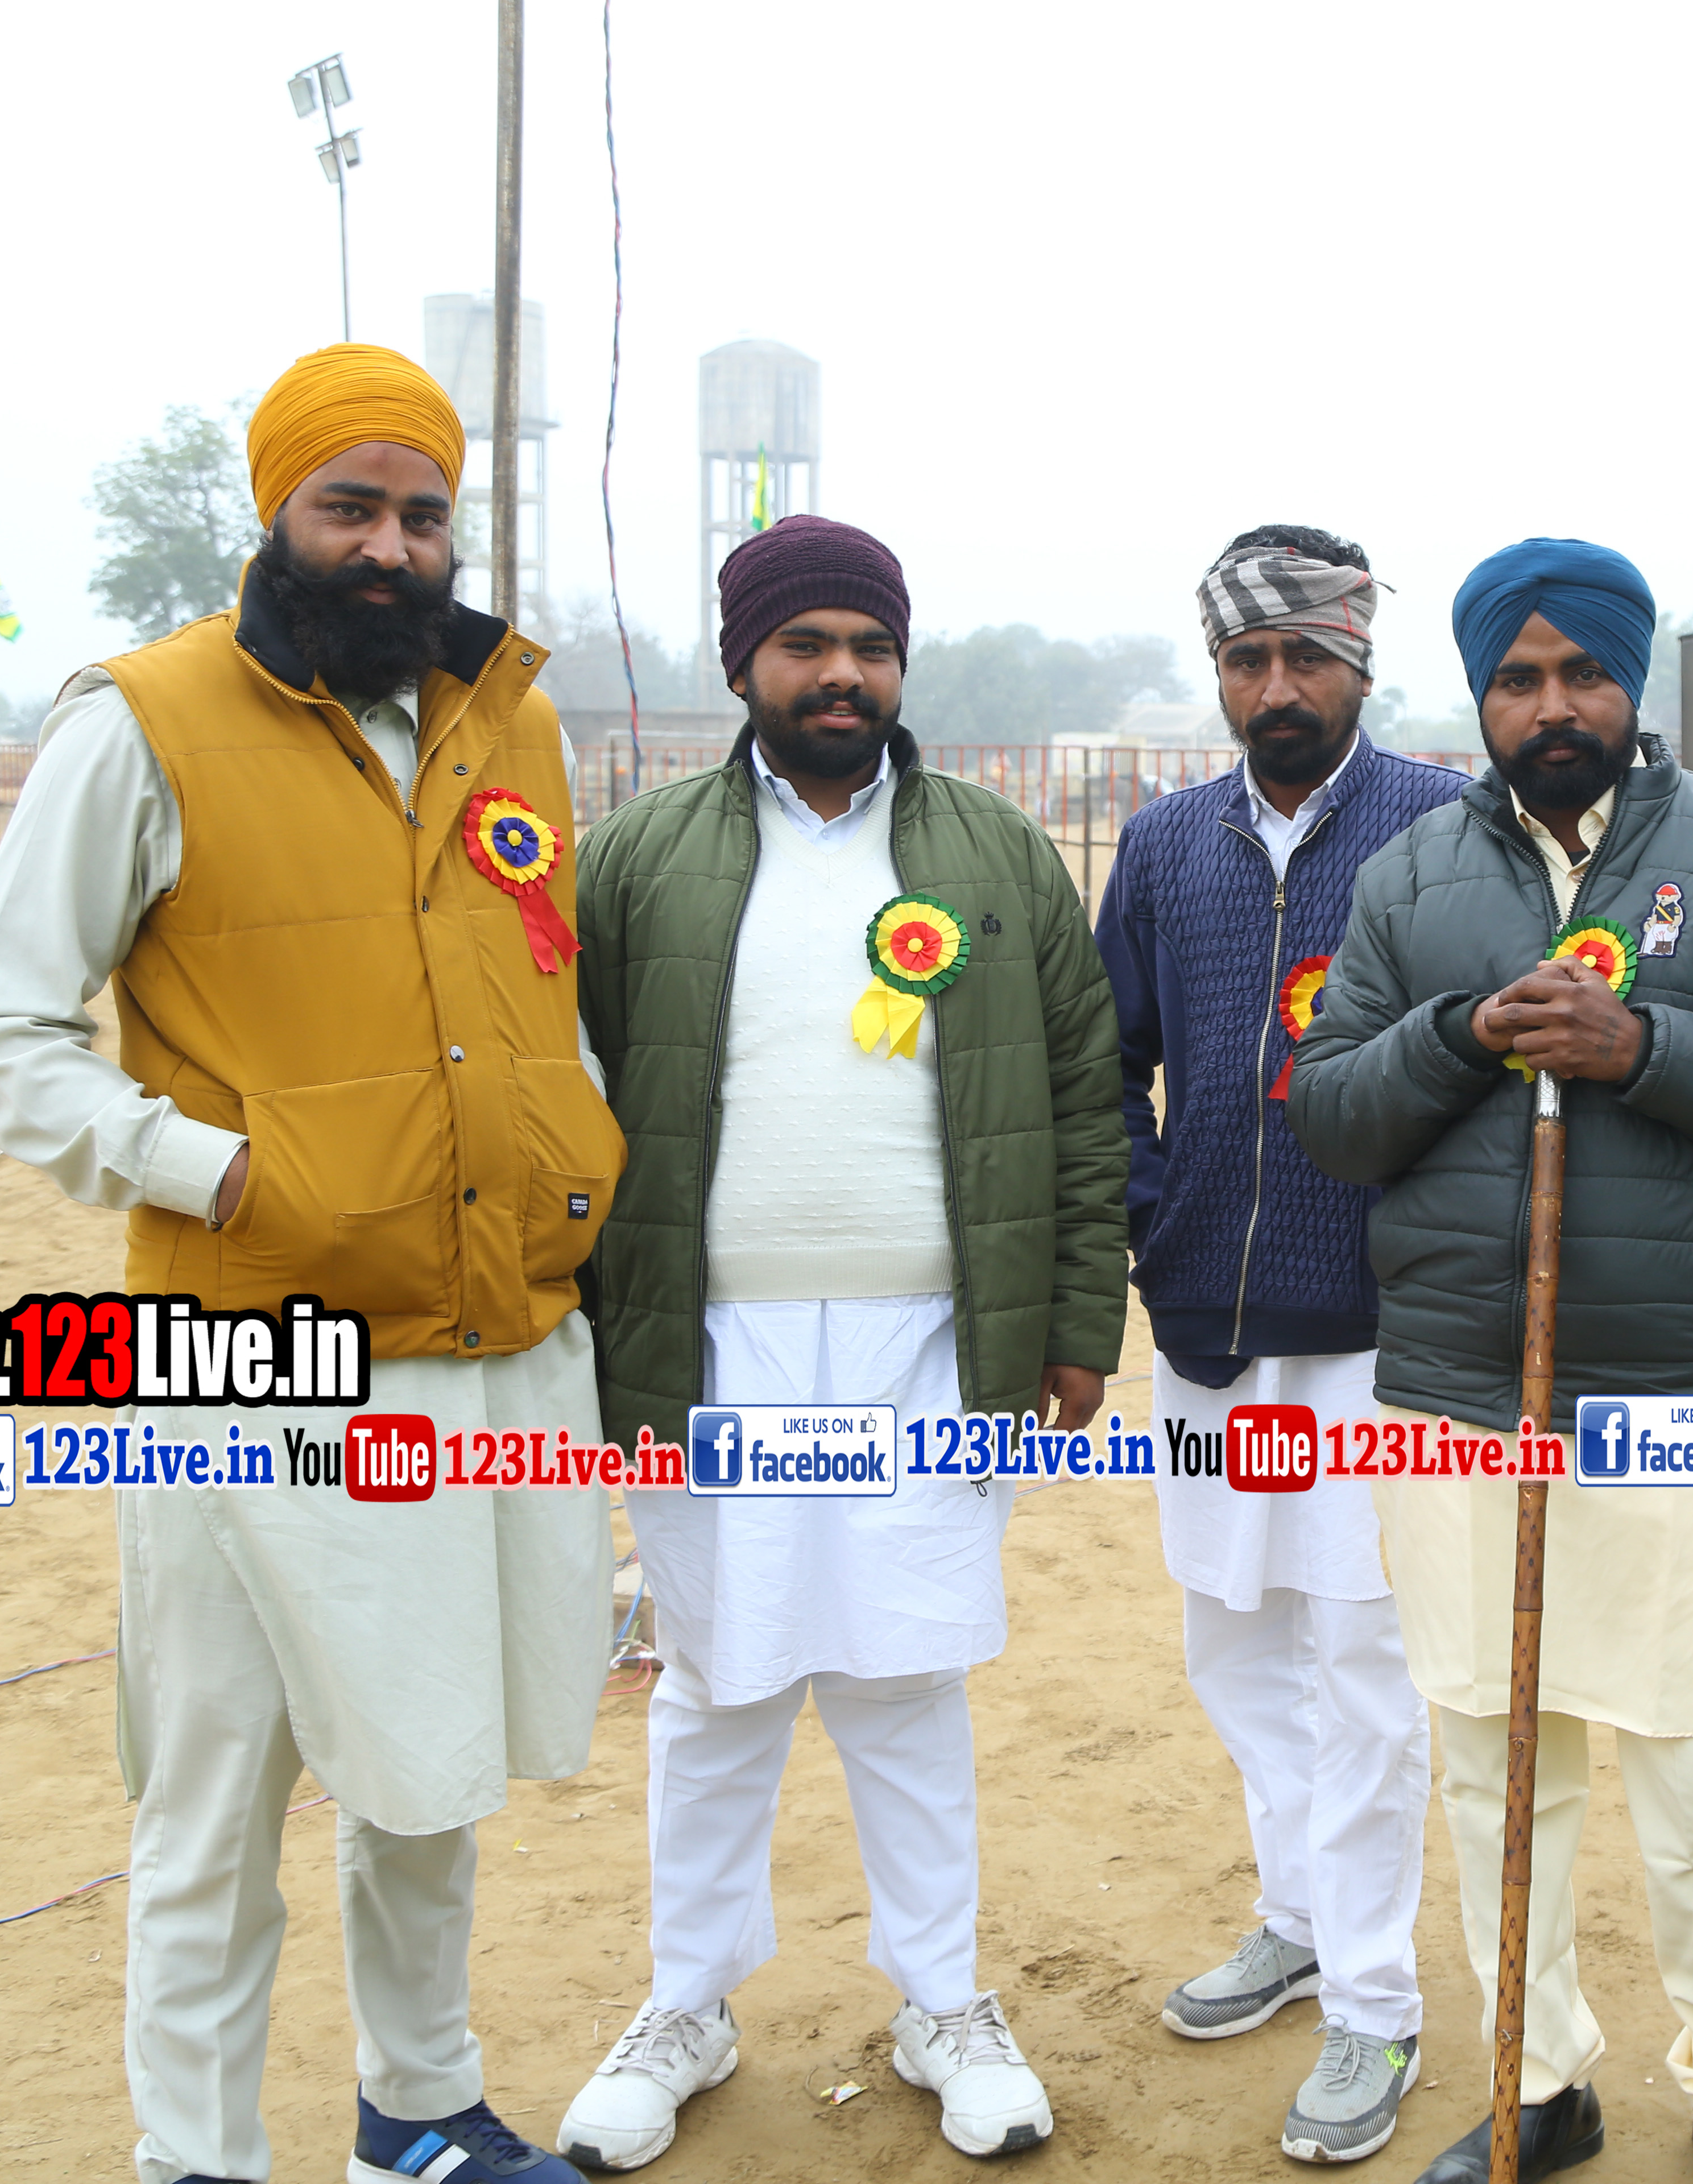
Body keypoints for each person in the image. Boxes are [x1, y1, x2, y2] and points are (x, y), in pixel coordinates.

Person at [0, 344, 617, 2184]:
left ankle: (420, 2110)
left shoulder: (511, 723)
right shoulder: (142, 719)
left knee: (432, 1764)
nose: (390, 548)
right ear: (277, 512)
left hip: (489, 1346)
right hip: (250, 1354)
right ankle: (198, 2157)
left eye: (423, 515)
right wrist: (222, 1174)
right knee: (217, 1797)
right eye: (350, 507)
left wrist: (571, 1159)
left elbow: (538, 996)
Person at [1286, 537, 1693, 2184]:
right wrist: (1458, 1034)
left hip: (1681, 1389)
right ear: (1479, 695)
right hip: (1458, 1397)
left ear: (1633, 680)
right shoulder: (1410, 873)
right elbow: (1331, 1112)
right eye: (1516, 679)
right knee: (1494, 1761)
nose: (1550, 705)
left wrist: (1646, 1046)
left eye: (1580, 674)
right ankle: (1537, 2079)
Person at [550, 515, 1127, 2169]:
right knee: (715, 1683)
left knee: (904, 1679)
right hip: (704, 1348)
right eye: (805, 643)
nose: (841, 674)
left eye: (869, 646)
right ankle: (687, 2001)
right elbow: (561, 1100)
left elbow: (1082, 1094)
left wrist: (1075, 1318)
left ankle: (943, 2000)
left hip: (931, 1344)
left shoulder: (997, 853)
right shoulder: (639, 856)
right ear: (742, 661)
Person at [1093, 524, 1464, 2162]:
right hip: (1206, 1328)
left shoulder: (1439, 825)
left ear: (1359, 663)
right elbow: (1106, 1062)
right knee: (1235, 1642)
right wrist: (1158, 1217)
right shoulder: (1165, 843)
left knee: (1367, 1669)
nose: (1275, 686)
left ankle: (1376, 2003)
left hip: (1378, 1337)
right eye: (1246, 660)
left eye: (1305, 655)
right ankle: (1300, 1917)